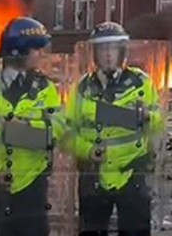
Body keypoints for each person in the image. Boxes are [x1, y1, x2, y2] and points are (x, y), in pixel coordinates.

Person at [0, 17, 64, 236]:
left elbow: (56, 130)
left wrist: (22, 127)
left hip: (32, 185)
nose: (40, 54)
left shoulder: (45, 88)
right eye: (35, 49)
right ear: (16, 50)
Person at [65, 22, 162, 236]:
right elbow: (67, 133)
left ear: (121, 51)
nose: (108, 55)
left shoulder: (140, 82)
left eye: (112, 48)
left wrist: (147, 116)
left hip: (132, 174)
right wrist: (88, 150)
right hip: (94, 175)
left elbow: (159, 122)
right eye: (102, 49)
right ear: (95, 54)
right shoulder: (82, 87)